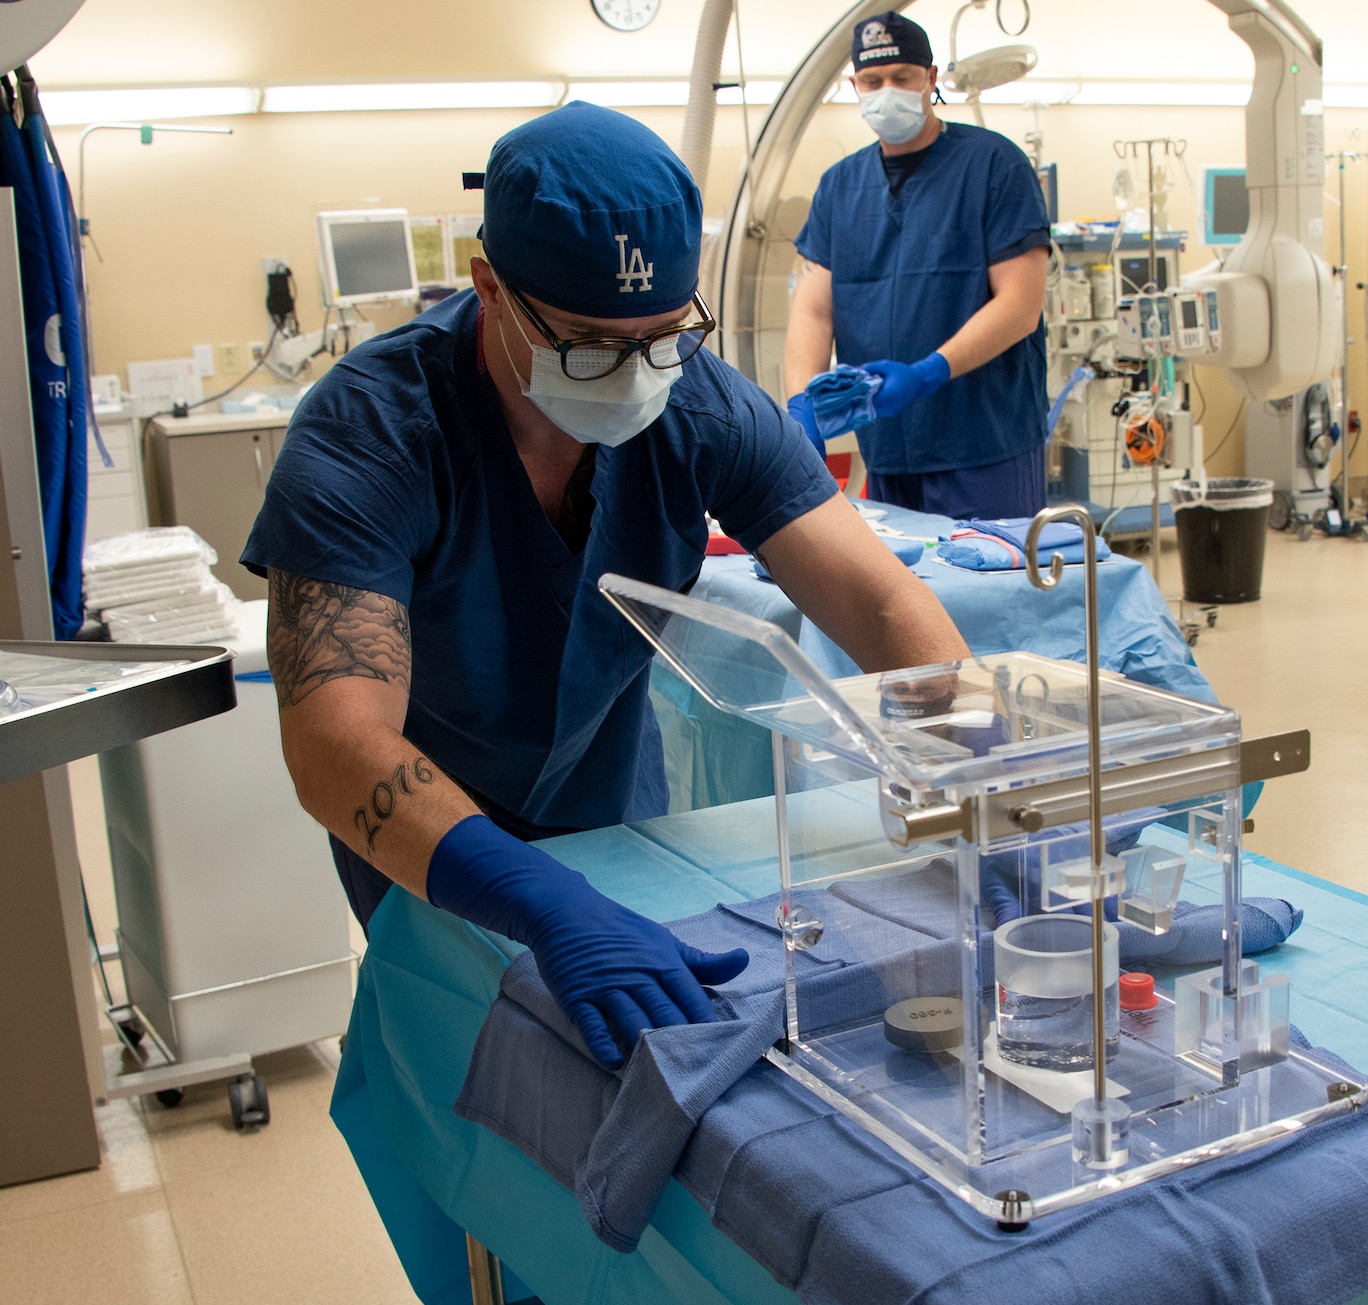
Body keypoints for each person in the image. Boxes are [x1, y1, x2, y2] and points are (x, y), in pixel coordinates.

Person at [243, 103, 969, 1069]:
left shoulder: (696, 400)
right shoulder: (372, 432)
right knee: (486, 1102)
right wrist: (536, 895)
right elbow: (335, 742)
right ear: (490, 287)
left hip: (620, 814)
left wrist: (979, 778)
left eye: (664, 336)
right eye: (588, 344)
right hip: (433, 841)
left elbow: (878, 601)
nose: (634, 376)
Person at [783, 11, 1051, 520]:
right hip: (889, 449)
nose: (888, 91)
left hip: (985, 444)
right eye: (873, 80)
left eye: (902, 78)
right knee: (905, 594)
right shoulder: (839, 187)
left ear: (930, 79)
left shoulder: (995, 167)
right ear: (854, 86)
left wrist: (929, 373)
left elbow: (1021, 305)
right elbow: (814, 311)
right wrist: (801, 409)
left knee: (989, 594)